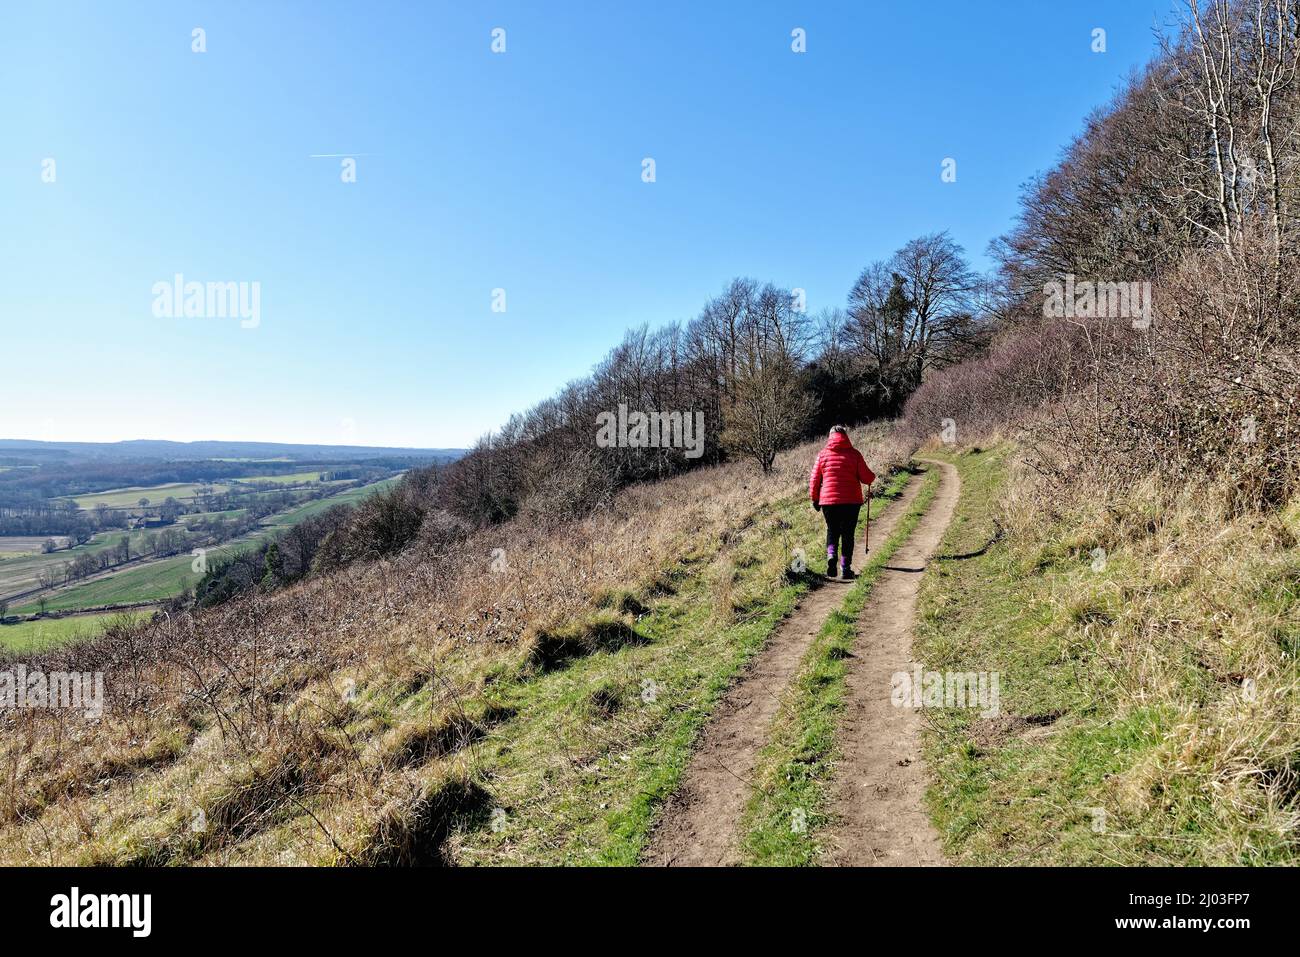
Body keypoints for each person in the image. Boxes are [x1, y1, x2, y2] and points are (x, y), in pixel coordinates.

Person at [808, 425, 876, 580]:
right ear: (846, 436)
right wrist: (872, 477)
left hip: (828, 502)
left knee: (832, 530)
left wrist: (815, 499)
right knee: (848, 534)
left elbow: (814, 480)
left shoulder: (822, 455)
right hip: (851, 501)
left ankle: (831, 555)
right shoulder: (854, 454)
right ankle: (845, 568)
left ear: (830, 437)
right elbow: (867, 477)